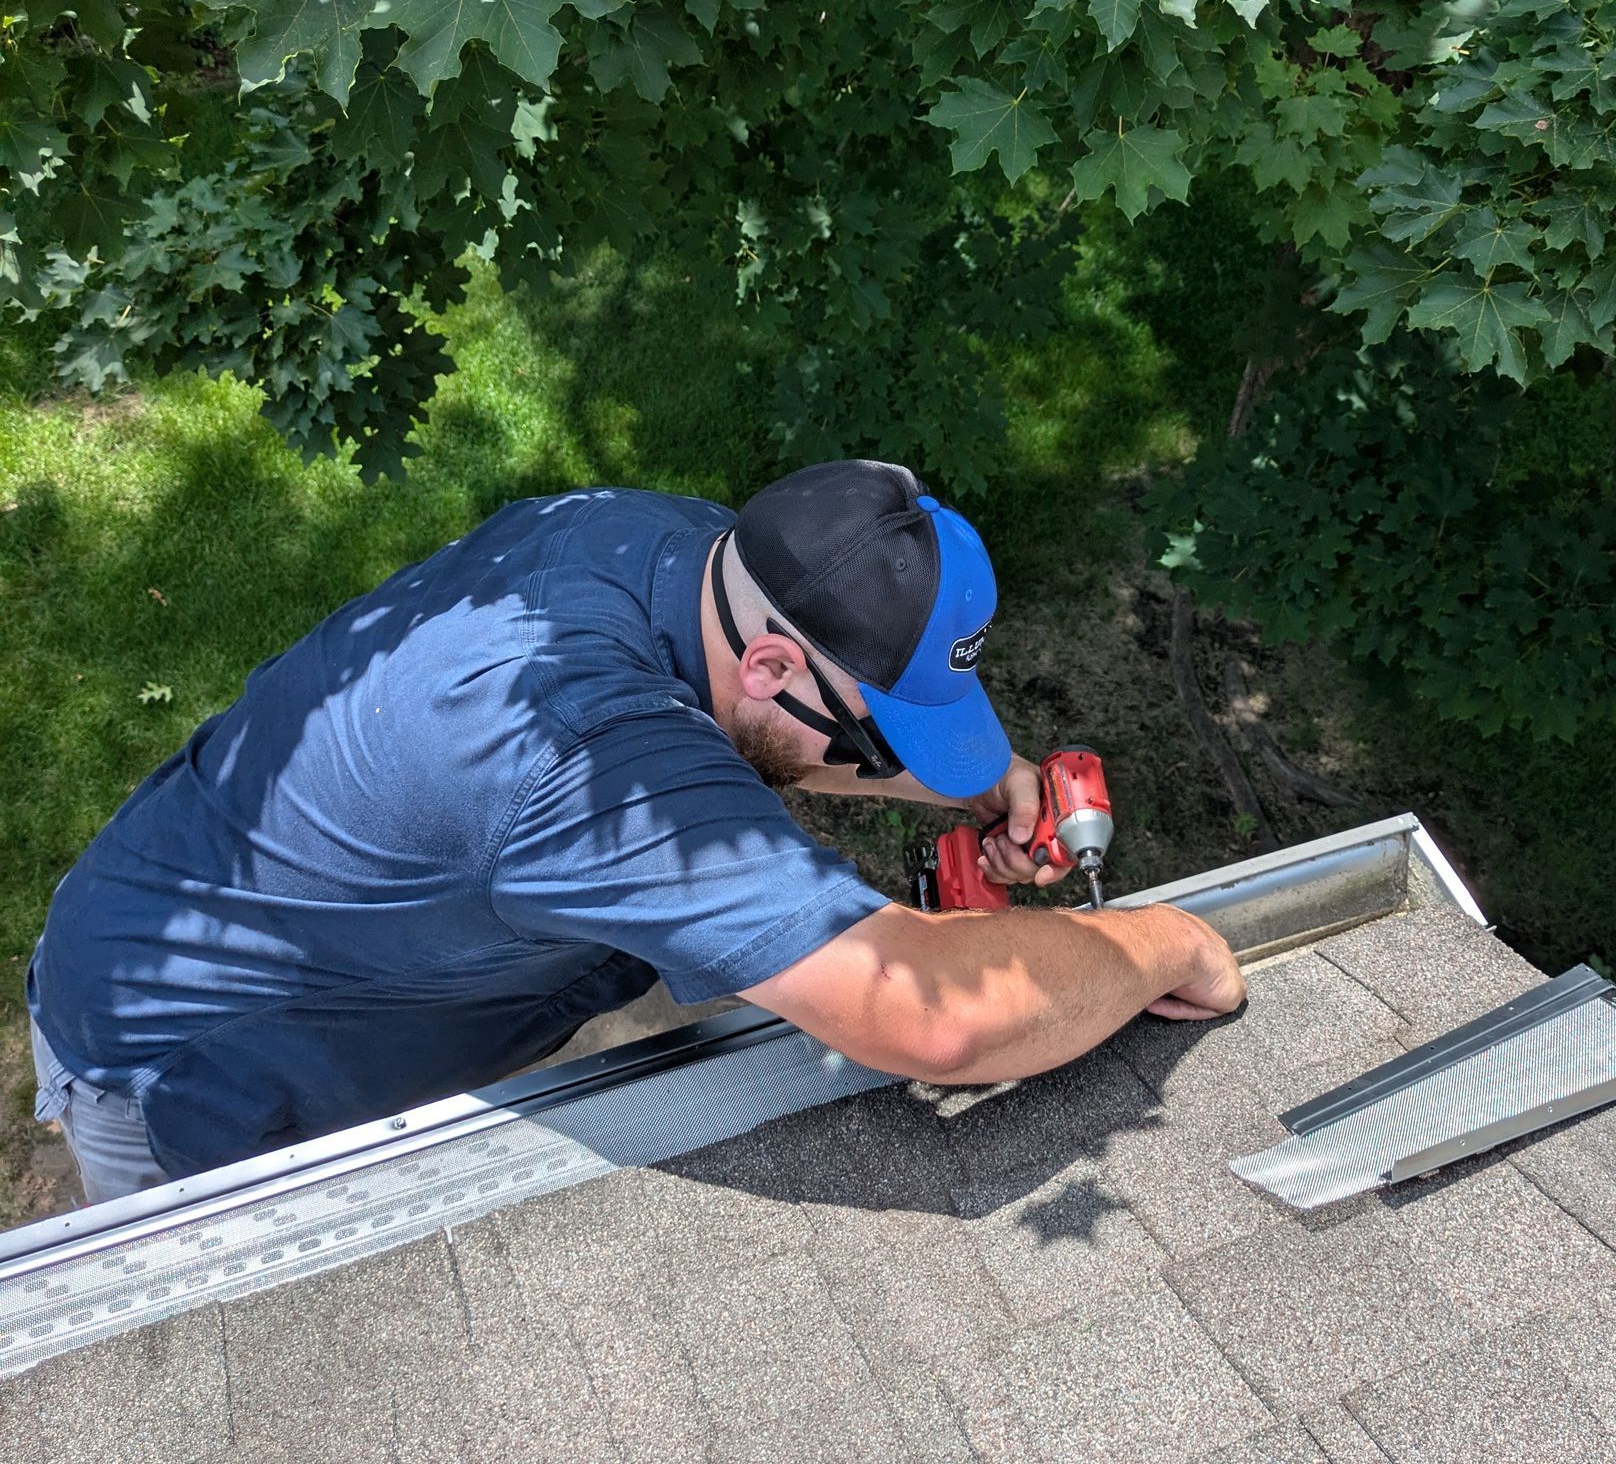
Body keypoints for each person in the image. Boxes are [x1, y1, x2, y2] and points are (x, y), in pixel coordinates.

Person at [27, 459, 1244, 1202]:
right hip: (186, 1058)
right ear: (768, 661)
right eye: (877, 739)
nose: (881, 771)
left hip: (284, 907)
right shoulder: (582, 761)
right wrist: (1162, 944)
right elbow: (933, 1014)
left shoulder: (670, 547)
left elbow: (762, 739)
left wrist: (972, 785)